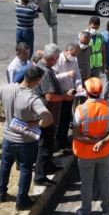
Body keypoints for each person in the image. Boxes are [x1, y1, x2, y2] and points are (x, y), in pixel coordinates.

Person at [0, 64, 54, 210]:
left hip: (8, 138)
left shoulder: (6, 88)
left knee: (5, 165)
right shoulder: (33, 99)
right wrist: (36, 123)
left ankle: (1, 194)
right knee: (26, 169)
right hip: (26, 141)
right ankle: (22, 201)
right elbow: (49, 119)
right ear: (37, 81)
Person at [72, 77, 109, 215]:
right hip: (105, 152)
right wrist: (103, 141)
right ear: (100, 91)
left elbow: (76, 135)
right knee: (105, 180)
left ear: (86, 92)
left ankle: (86, 212)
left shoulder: (80, 110)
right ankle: (106, 208)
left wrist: (93, 141)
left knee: (87, 183)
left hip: (85, 154)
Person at [33, 43, 74, 186]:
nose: (57, 60)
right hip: (46, 115)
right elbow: (50, 96)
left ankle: (49, 165)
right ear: (52, 58)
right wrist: (64, 97)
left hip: (47, 114)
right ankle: (40, 176)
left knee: (49, 145)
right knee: (44, 146)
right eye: (56, 58)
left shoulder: (40, 66)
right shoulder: (46, 72)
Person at [54, 43, 82, 152]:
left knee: (66, 118)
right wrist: (67, 74)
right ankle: (57, 141)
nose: (74, 57)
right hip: (59, 94)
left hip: (70, 93)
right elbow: (53, 78)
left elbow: (77, 74)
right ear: (66, 51)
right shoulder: (57, 60)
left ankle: (63, 139)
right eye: (72, 54)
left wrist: (79, 85)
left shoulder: (74, 60)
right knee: (59, 119)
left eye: (76, 55)